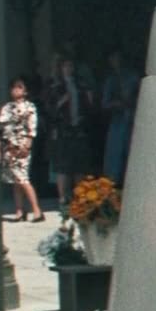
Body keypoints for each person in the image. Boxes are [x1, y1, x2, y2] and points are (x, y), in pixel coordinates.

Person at [45, 48, 97, 207]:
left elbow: (89, 106)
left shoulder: (80, 84)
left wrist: (89, 100)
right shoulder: (55, 85)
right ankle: (63, 198)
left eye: (71, 66)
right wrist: (62, 101)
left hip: (78, 128)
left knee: (79, 166)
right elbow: (49, 109)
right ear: (61, 68)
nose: (68, 69)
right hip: (62, 130)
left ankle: (79, 198)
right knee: (63, 167)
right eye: (65, 66)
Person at [0, 78, 43, 222]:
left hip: (22, 145)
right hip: (9, 146)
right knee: (15, 180)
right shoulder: (7, 107)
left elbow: (32, 127)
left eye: (19, 87)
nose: (15, 90)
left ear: (25, 91)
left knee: (23, 178)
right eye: (13, 87)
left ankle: (37, 210)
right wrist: (1, 147)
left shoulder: (30, 107)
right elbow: (1, 127)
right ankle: (19, 210)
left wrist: (28, 144)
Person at [100, 50, 142, 186]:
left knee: (132, 150)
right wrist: (117, 104)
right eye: (113, 59)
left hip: (132, 119)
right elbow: (105, 104)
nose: (116, 61)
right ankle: (114, 182)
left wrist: (132, 102)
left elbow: (141, 95)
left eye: (118, 58)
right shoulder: (110, 80)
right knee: (115, 154)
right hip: (118, 122)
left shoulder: (133, 76)